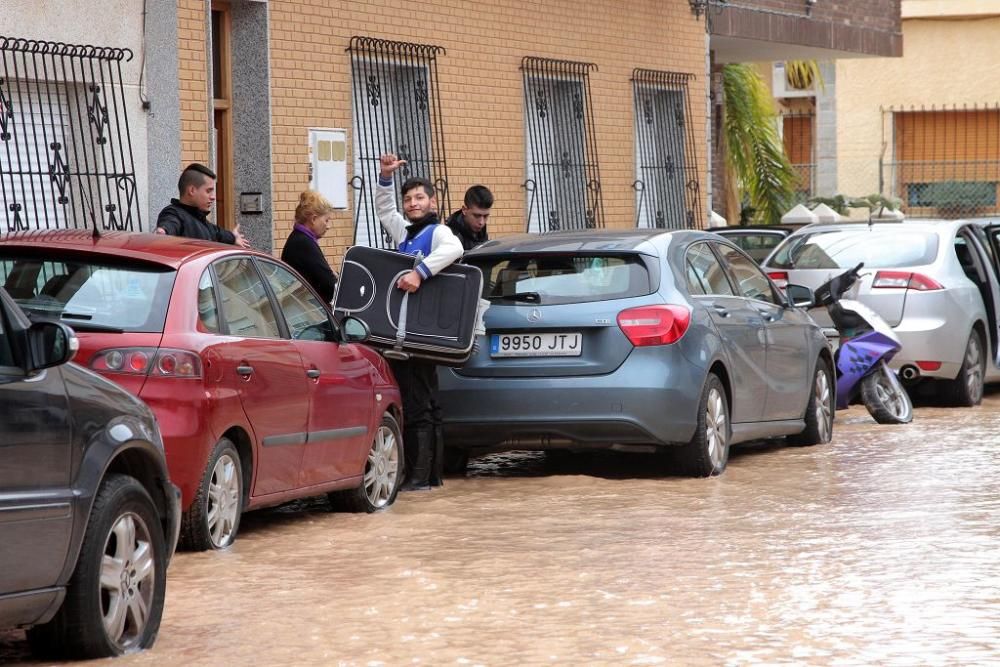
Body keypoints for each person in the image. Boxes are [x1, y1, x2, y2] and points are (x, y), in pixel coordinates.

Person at [376, 153, 463, 490]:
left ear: (432, 201)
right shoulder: (407, 232)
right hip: (409, 331)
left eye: (419, 198)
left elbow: (453, 249)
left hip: (421, 333)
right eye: (408, 199)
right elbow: (385, 212)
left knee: (418, 405)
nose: (412, 203)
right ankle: (430, 477)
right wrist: (385, 178)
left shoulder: (438, 231)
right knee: (426, 403)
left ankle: (417, 478)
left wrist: (419, 272)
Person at [155, 163, 248, 247]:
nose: (213, 197)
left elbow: (219, 233)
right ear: (192, 190)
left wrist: (233, 237)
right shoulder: (174, 213)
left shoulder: (202, 222)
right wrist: (163, 231)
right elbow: (170, 223)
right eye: (208, 191)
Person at [281, 190, 338, 303]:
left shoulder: (298, 238)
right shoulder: (304, 243)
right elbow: (329, 285)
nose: (328, 226)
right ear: (313, 219)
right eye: (326, 220)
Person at [445, 185, 493, 251]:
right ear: (464, 210)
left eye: (485, 216)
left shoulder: (482, 232)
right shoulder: (449, 236)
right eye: (476, 216)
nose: (481, 222)